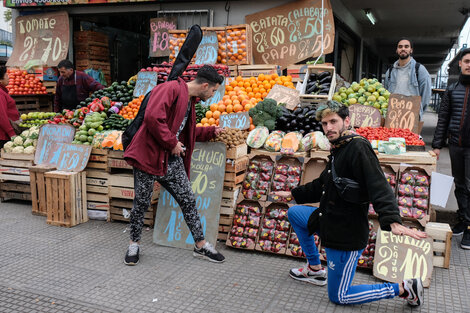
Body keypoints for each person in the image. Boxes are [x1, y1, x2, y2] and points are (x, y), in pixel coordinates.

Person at [277, 101, 427, 306]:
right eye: (324, 123)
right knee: (295, 213)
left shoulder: (358, 147)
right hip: (328, 220)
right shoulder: (339, 147)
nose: (328, 128)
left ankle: (404, 288)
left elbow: (378, 184)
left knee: (340, 296)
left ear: (346, 121)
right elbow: (323, 183)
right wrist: (292, 194)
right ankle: (314, 269)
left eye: (333, 121)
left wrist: (392, 220)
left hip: (345, 235)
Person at [123, 65, 225, 265]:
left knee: (187, 199)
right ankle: (133, 244)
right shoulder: (170, 89)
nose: (213, 94)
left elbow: (181, 131)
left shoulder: (190, 101)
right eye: (213, 90)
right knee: (141, 204)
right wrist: (171, 143)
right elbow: (153, 118)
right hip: (148, 158)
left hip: (170, 161)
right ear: (205, 85)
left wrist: (210, 131)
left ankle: (201, 245)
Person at [432, 48, 470, 249]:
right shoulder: (452, 89)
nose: (469, 64)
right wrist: (437, 145)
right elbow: (443, 119)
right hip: (455, 145)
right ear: (460, 64)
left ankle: (469, 228)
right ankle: (464, 219)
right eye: (466, 61)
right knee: (460, 185)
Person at [384, 38, 432, 119]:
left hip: (411, 116)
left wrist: (418, 112)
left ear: (411, 50)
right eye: (400, 47)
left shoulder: (419, 70)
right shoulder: (390, 71)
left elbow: (426, 96)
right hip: (392, 116)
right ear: (397, 50)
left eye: (406, 46)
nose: (403, 49)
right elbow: (385, 93)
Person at [0, 66, 20, 149]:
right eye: (6, 75)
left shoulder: (2, 91)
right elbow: (1, 115)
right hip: (3, 135)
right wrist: (11, 133)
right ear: (0, 80)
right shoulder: (0, 94)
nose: (8, 77)